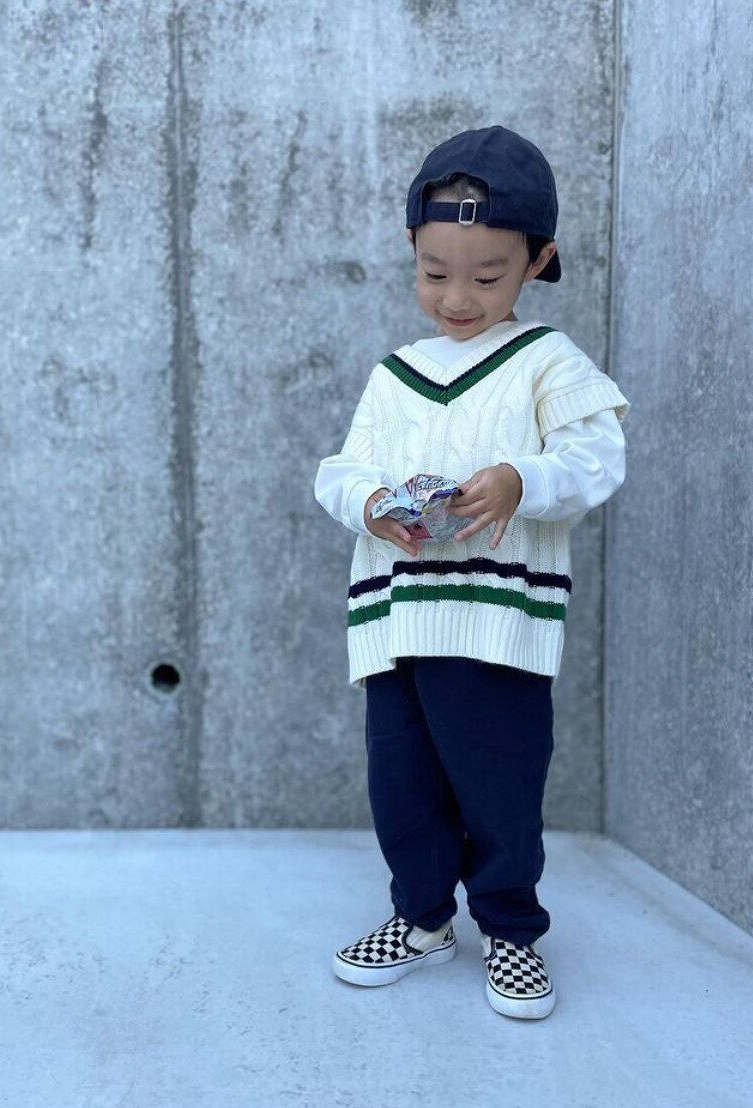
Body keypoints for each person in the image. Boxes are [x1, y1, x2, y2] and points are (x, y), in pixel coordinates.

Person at [313, 125, 631, 1020]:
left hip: (496, 623)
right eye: (434, 272)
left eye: (488, 277)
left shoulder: (547, 363)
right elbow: (339, 471)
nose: (457, 297)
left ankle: (511, 932)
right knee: (402, 786)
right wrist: (372, 504)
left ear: (538, 261)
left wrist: (521, 479)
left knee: (499, 784)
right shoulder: (395, 374)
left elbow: (598, 458)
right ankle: (421, 920)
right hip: (397, 619)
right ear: (412, 250)